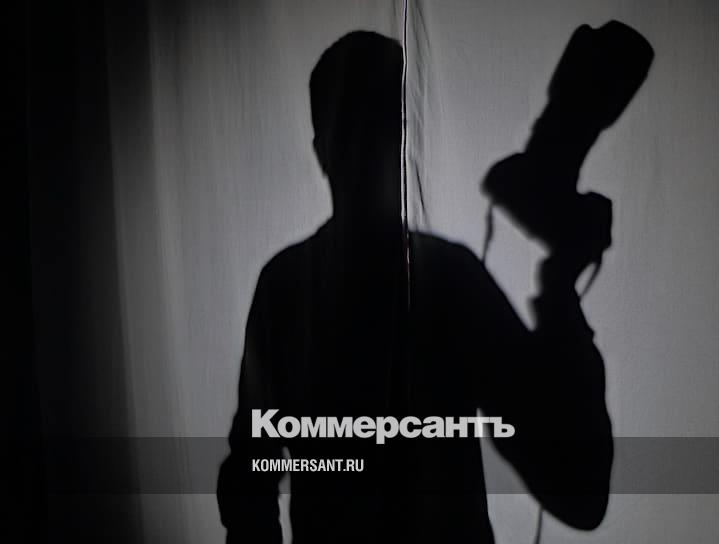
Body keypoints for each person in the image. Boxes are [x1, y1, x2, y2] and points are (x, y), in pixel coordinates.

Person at [217, 30, 612, 543]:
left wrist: (561, 296)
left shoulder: (292, 288)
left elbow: (577, 490)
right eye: (360, 129)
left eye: (383, 127)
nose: (374, 149)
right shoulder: (443, 280)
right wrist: (561, 297)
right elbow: (578, 490)